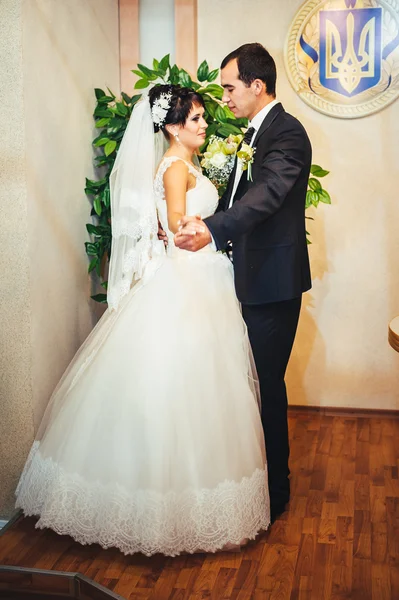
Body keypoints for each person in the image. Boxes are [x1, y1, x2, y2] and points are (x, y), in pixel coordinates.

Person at [15, 85, 270, 557]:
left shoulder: (188, 164)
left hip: (203, 277)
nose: (203, 125)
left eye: (201, 118)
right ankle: (158, 509)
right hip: (188, 279)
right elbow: (176, 225)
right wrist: (210, 233)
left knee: (204, 383)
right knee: (178, 383)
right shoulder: (175, 167)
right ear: (172, 127)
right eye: (194, 119)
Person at [175, 44, 312, 522]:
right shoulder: (249, 133)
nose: (225, 97)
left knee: (265, 385)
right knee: (245, 386)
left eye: (231, 87)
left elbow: (268, 196)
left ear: (258, 86)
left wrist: (211, 231)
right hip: (239, 279)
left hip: (272, 285)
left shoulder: (287, 134)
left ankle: (276, 492)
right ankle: (249, 481)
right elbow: (238, 201)